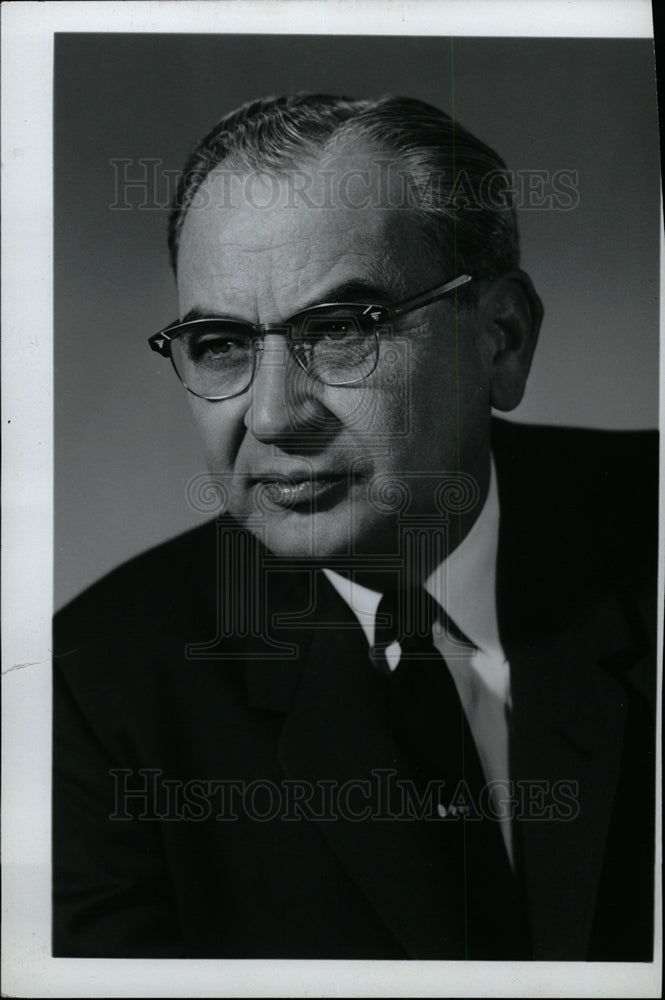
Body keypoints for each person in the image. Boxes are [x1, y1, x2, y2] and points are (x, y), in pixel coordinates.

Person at [53, 94, 657, 961]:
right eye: (220, 343)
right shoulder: (96, 694)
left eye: (338, 331)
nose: (269, 417)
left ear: (502, 338)